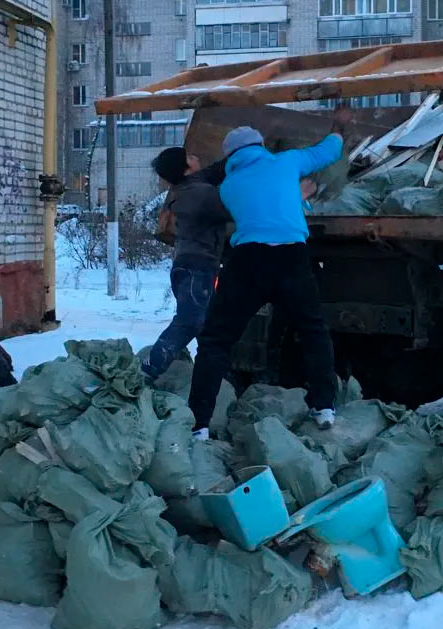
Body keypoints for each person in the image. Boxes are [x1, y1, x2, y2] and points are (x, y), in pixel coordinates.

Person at [187, 113, 349, 435]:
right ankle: (324, 406)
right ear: (261, 145)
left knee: (216, 341)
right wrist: (339, 129)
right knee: (312, 330)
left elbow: (253, 204)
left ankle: (199, 423)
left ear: (230, 157)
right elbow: (327, 152)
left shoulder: (229, 187)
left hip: (248, 261)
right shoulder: (287, 163)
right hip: (291, 256)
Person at [143, 147, 229, 381]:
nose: (197, 155)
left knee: (207, 325)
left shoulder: (186, 187)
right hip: (197, 267)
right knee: (190, 321)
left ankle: (214, 375)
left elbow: (211, 172)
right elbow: (233, 206)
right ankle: (151, 367)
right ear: (186, 168)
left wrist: (236, 157)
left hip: (190, 264)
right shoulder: (199, 194)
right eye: (190, 156)